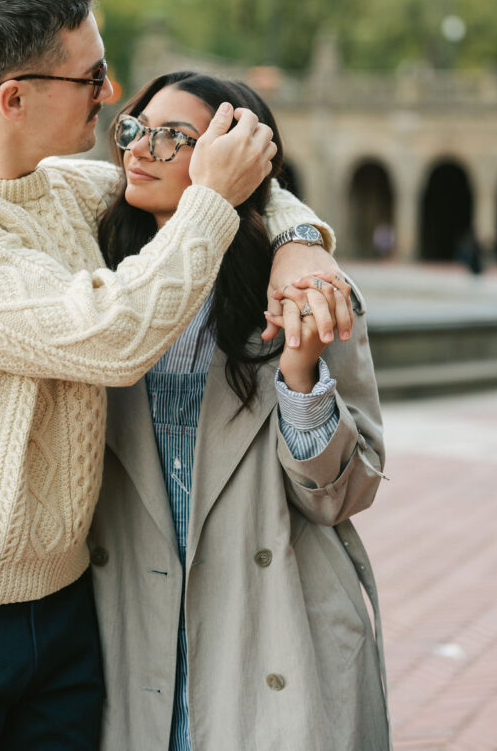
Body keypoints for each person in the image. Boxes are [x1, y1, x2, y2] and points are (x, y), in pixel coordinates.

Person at [0, 0, 348, 750]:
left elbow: (221, 183)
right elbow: (111, 336)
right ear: (15, 96)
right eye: (92, 77)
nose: (112, 96)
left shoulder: (63, 192)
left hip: (64, 607)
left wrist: (298, 243)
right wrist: (216, 201)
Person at [90, 72, 391, 751]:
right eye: (135, 128)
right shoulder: (94, 275)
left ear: (239, 156)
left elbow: (344, 494)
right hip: (129, 630)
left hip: (272, 630)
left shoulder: (301, 289)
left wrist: (299, 373)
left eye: (176, 137)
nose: (143, 148)